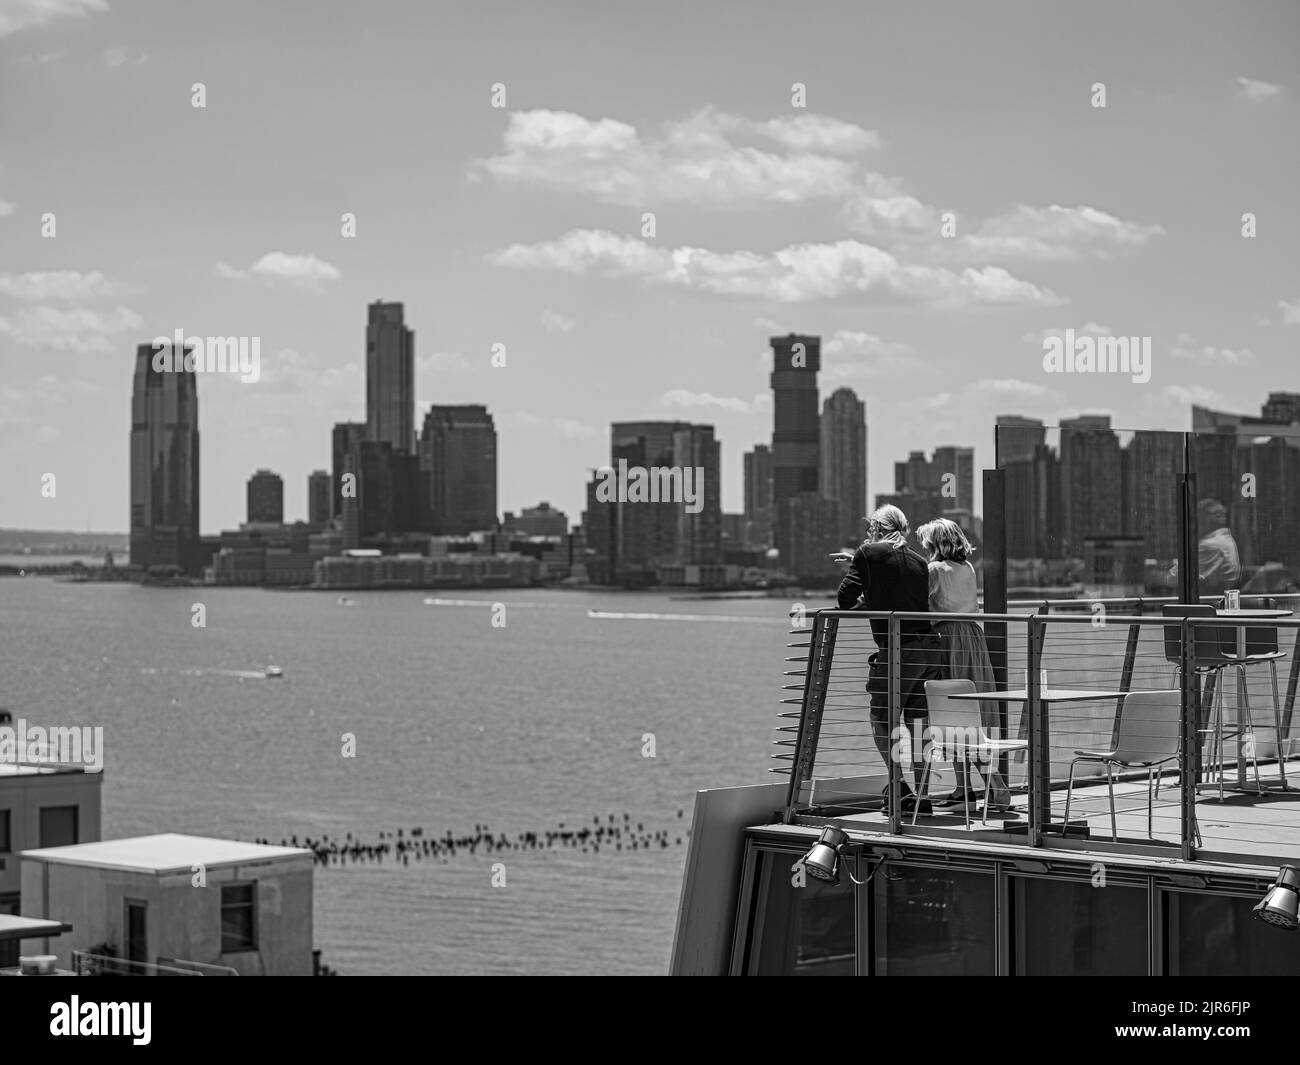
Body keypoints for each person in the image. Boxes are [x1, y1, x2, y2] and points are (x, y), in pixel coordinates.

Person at [832, 505, 943, 815]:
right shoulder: (920, 561)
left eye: (871, 530)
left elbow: (845, 599)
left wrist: (860, 564)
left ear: (877, 528)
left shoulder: (868, 553)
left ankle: (898, 786)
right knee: (920, 725)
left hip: (897, 650)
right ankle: (922, 797)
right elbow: (903, 595)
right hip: (928, 649)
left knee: (882, 716)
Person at [917, 518, 1011, 809]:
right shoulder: (968, 568)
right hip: (972, 637)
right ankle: (973, 786)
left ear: (934, 544)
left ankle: (978, 787)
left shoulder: (933, 571)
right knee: (974, 711)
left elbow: (920, 605)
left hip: (947, 639)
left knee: (951, 713)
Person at [1168, 499, 1241, 597]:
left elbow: (1173, 579)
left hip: (1205, 606)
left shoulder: (1211, 545)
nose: (1194, 524)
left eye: (1198, 519)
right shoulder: (1226, 539)